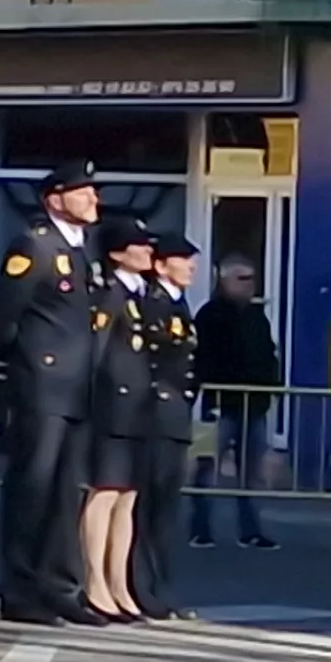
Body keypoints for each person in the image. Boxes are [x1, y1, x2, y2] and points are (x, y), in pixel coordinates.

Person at [0, 160, 110, 625]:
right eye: (82, 192)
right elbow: (6, 314)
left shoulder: (85, 251)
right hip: (42, 387)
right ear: (55, 199)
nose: (92, 199)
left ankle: (59, 585)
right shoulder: (35, 246)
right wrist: (21, 367)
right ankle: (20, 588)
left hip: (77, 388)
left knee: (66, 494)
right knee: (32, 489)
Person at [78, 216, 161, 621]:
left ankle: (118, 582)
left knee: (127, 499)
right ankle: (95, 582)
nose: (148, 251)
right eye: (139, 245)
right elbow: (98, 351)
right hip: (113, 406)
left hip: (138, 409)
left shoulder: (141, 294)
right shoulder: (109, 294)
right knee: (105, 493)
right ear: (115, 253)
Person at [128, 234, 202, 620]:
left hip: (174, 415)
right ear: (160, 265)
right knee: (148, 507)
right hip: (154, 413)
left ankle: (160, 587)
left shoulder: (177, 303)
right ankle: (142, 588)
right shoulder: (153, 303)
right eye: (183, 259)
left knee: (165, 511)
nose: (191, 266)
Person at [191, 255, 282, 549]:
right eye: (242, 279)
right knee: (207, 468)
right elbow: (203, 357)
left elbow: (267, 354)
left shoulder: (257, 316)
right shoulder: (209, 315)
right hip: (219, 405)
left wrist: (272, 387)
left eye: (252, 278)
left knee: (251, 473)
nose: (250, 285)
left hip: (254, 406)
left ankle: (251, 530)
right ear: (224, 280)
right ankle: (200, 528)